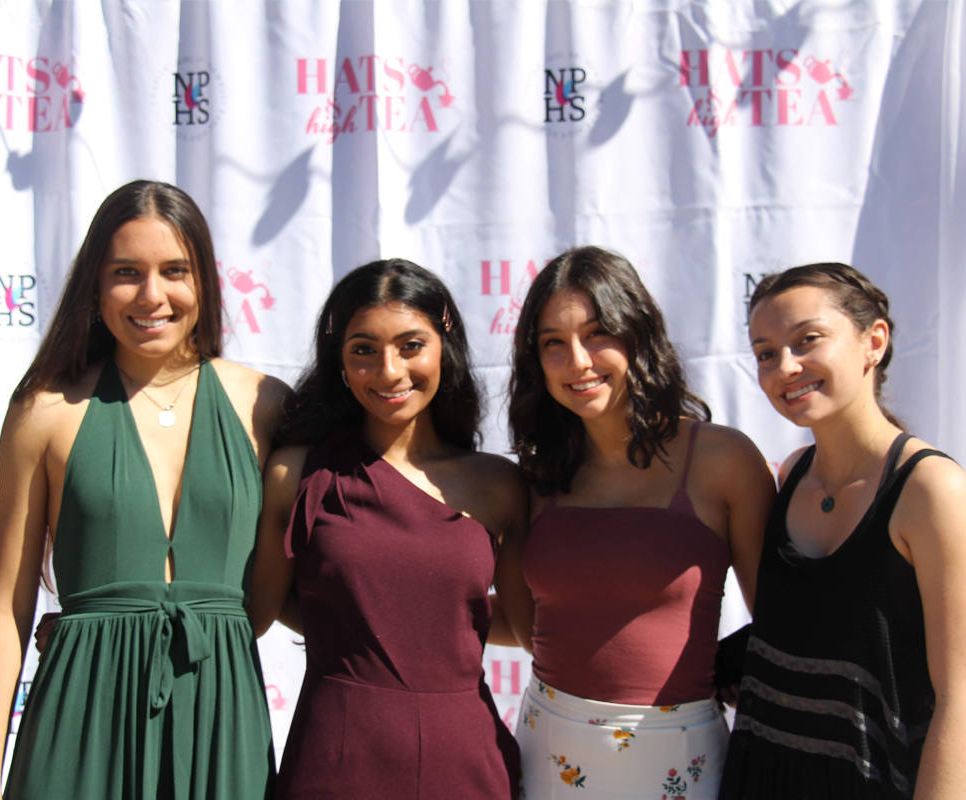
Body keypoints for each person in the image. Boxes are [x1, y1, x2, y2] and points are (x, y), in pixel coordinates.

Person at [0, 180, 288, 800]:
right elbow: (6, 611)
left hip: (223, 719)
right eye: (126, 272)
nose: (152, 296)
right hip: (79, 715)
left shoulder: (266, 406)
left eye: (175, 270)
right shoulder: (44, 411)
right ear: (95, 284)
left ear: (205, 282)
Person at [497, 246, 774, 799]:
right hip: (548, 748)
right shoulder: (536, 476)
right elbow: (527, 628)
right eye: (554, 342)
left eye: (598, 333)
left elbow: (782, 622)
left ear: (638, 333)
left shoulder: (724, 461)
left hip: (678, 756)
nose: (577, 361)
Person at [246, 258, 524, 800]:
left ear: (446, 344)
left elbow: (530, 626)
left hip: (465, 755)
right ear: (340, 362)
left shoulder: (500, 485)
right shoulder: (296, 473)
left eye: (411, 345)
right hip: (335, 754)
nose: (390, 371)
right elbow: (256, 609)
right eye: (363, 350)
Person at [718, 263, 966, 799]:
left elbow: (959, 698)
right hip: (762, 773)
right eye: (765, 353)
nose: (786, 366)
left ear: (873, 341)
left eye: (808, 340)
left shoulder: (932, 491)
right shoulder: (790, 474)